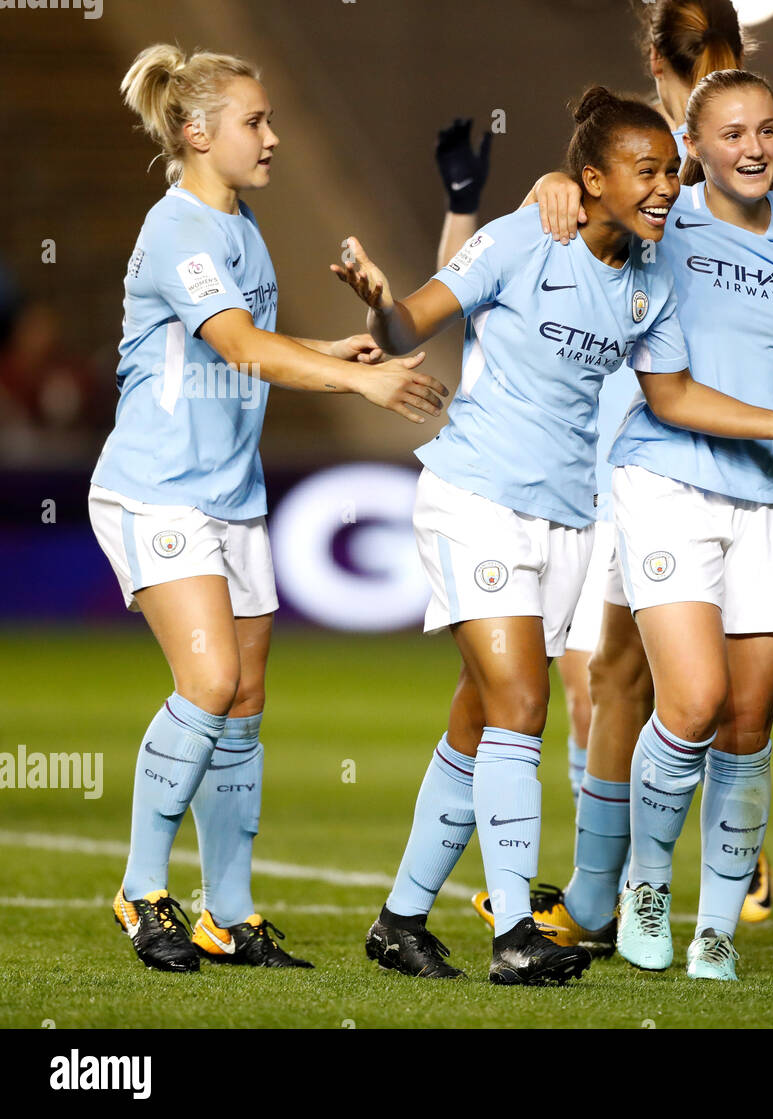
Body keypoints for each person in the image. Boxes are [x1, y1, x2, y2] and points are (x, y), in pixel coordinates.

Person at [335, 86, 773, 985]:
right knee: (523, 705)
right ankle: (517, 929)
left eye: (672, 171)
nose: (668, 186)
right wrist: (376, 308)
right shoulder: (526, 235)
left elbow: (674, 398)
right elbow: (413, 322)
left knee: (479, 714)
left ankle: (400, 918)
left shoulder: (652, 275)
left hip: (571, 513)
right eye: (649, 172)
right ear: (590, 179)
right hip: (474, 494)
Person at [481, 0, 773, 974]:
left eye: (758, 125)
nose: (746, 139)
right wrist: (556, 191)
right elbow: (564, 227)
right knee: (664, 685)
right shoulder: (653, 182)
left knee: (758, 692)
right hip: (678, 454)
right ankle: (621, 894)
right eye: (718, 115)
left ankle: (729, 907)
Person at [93, 45, 446, 972]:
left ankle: (230, 913)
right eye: (256, 121)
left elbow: (239, 341)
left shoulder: (239, 224)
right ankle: (139, 890)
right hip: (157, 487)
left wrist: (325, 347)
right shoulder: (178, 228)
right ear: (195, 131)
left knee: (243, 704)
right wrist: (351, 385)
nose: (274, 137)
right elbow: (239, 345)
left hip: (231, 494)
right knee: (208, 684)